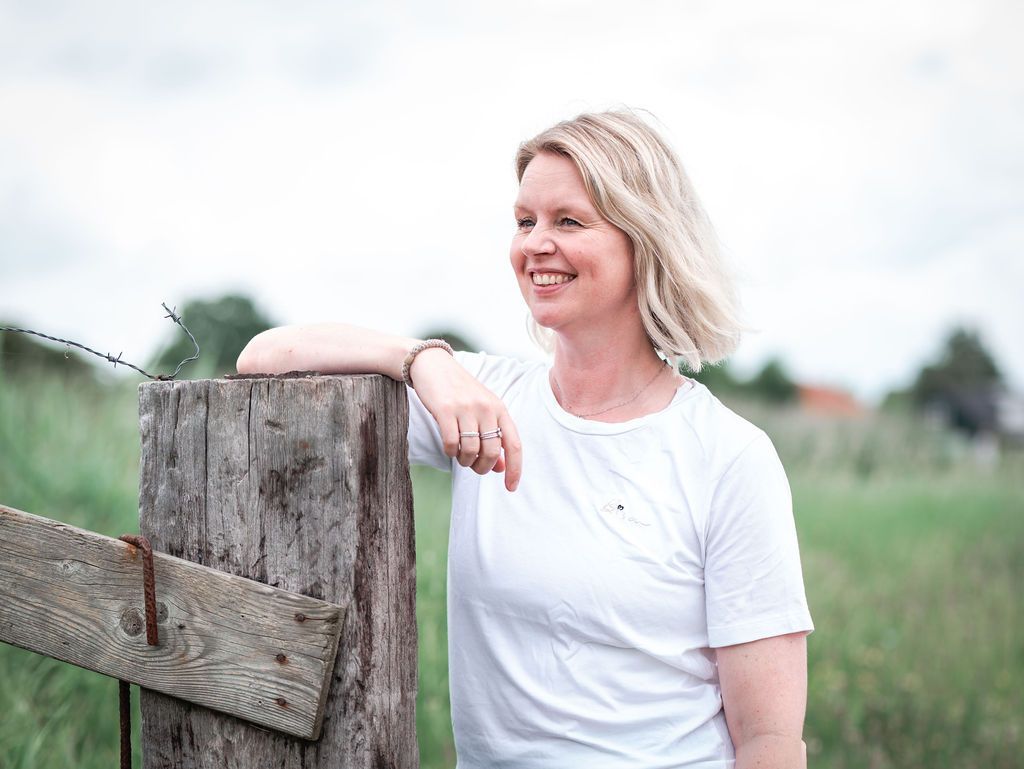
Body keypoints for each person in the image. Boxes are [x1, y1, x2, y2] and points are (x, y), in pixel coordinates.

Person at [237, 109, 814, 768]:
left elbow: (770, 740)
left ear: (643, 239)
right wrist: (423, 360)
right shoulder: (479, 400)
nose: (535, 243)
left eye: (568, 221)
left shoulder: (726, 456)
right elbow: (266, 354)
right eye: (524, 221)